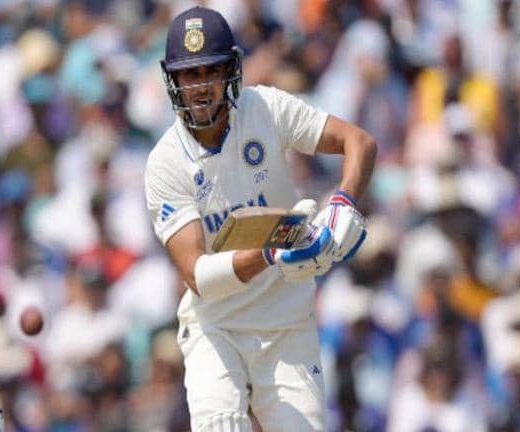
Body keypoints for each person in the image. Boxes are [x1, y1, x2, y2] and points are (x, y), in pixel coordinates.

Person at [144, 6, 376, 431]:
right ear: (173, 79)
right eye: (190, 75)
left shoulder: (264, 108)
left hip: (287, 322)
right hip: (216, 326)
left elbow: (358, 142)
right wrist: (272, 250)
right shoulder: (166, 162)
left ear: (231, 71)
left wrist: (343, 202)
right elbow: (198, 275)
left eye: (211, 71)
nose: (201, 87)